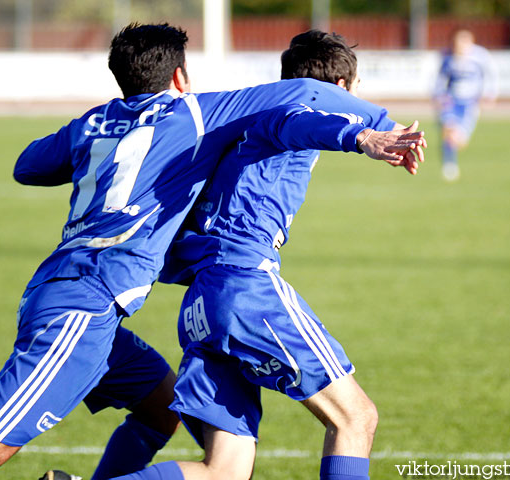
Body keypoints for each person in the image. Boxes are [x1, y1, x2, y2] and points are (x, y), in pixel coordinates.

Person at [0, 23, 423, 480]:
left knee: (195, 443)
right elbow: (297, 107)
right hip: (118, 296)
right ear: (179, 79)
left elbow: (27, 166)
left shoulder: (99, 123)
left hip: (125, 294)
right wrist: (369, 130)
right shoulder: (199, 116)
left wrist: (107, 129)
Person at [104, 30, 425, 480]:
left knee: (225, 472)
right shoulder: (286, 117)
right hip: (245, 289)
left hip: (203, 305)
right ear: (345, 88)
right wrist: (362, 136)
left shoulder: (240, 132)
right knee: (355, 418)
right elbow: (296, 123)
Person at [433, 28, 498, 181]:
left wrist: (490, 94)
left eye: (463, 41)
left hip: (469, 104)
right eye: (457, 42)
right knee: (448, 132)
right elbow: (439, 79)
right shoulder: (447, 57)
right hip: (450, 101)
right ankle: (449, 165)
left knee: (459, 140)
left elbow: (491, 75)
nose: (460, 46)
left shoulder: (480, 57)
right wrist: (437, 96)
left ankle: (451, 152)